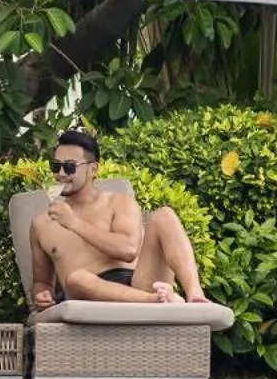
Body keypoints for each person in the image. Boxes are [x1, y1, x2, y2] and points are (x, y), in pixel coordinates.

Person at [29, 128, 209, 309]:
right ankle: (157, 301)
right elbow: (42, 281)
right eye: (55, 166)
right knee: (77, 279)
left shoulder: (119, 202)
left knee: (165, 216)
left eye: (69, 166)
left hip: (140, 283)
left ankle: (196, 297)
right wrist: (41, 294)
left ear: (93, 169)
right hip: (89, 297)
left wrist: (74, 223)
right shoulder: (41, 224)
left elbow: (128, 250)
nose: (60, 174)